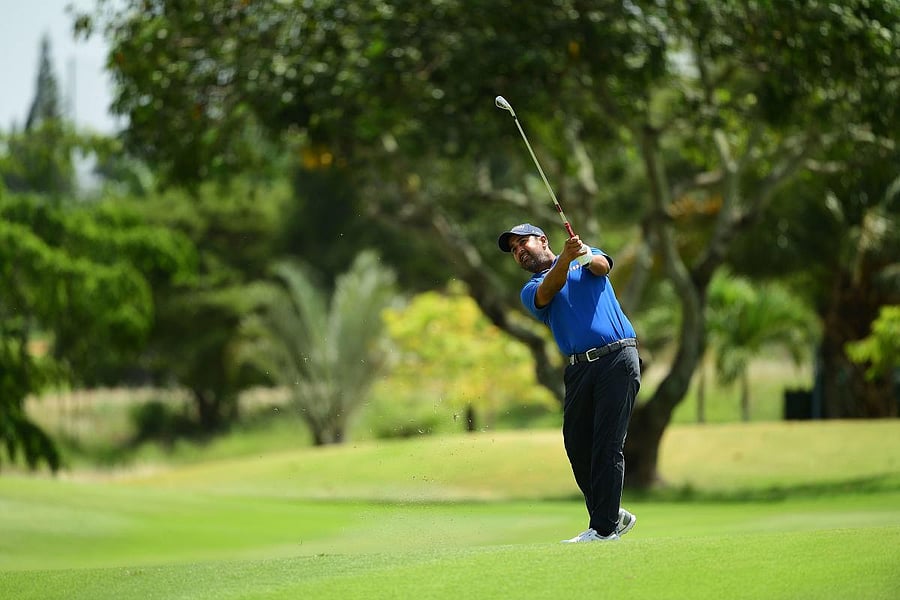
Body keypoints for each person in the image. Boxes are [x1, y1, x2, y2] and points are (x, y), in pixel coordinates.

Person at [498, 223, 641, 543]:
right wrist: (566, 257)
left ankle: (604, 530)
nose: (519, 251)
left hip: (617, 358)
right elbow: (549, 290)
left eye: (523, 243)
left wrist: (583, 254)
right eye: (514, 250)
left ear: (543, 240)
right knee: (577, 446)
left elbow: (603, 266)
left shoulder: (583, 257)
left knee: (607, 444)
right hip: (578, 369)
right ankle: (611, 514)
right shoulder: (531, 289)